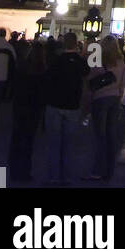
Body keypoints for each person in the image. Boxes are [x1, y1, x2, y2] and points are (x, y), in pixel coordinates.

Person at [43, 31, 89, 184]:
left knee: (54, 143)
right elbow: (87, 75)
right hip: (73, 105)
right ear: (76, 44)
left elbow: (48, 79)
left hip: (55, 104)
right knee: (69, 144)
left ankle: (53, 176)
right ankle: (67, 175)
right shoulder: (80, 61)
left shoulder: (56, 60)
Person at [82, 36, 125, 181]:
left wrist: (86, 104)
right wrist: (119, 97)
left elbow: (89, 81)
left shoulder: (97, 60)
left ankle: (97, 169)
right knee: (111, 135)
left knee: (99, 136)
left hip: (100, 99)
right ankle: (109, 169)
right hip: (114, 99)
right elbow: (124, 82)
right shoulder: (121, 62)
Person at [8, 41, 47, 182]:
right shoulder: (42, 70)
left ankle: (13, 170)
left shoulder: (21, 67)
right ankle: (25, 171)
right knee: (29, 141)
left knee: (16, 138)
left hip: (19, 106)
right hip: (34, 109)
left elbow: (14, 86)